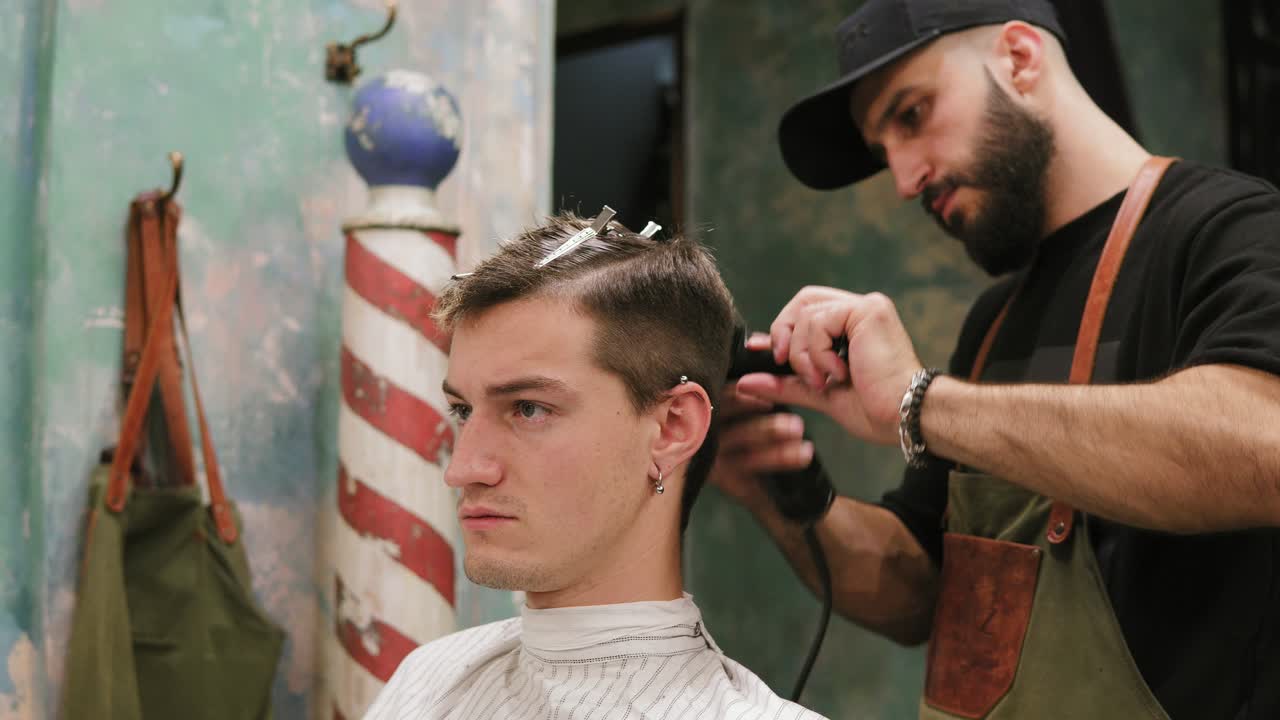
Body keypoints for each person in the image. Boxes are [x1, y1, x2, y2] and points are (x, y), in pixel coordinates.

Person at [710, 1, 1280, 719]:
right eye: (884, 149)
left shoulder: (1231, 228)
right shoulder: (993, 322)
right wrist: (782, 492)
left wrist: (922, 403)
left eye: (911, 115)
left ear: (1019, 57)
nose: (904, 179)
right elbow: (919, 591)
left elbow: (1266, 444)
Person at [364, 211, 826, 720]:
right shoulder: (427, 680)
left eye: (528, 409)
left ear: (672, 427)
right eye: (463, 410)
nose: (463, 469)